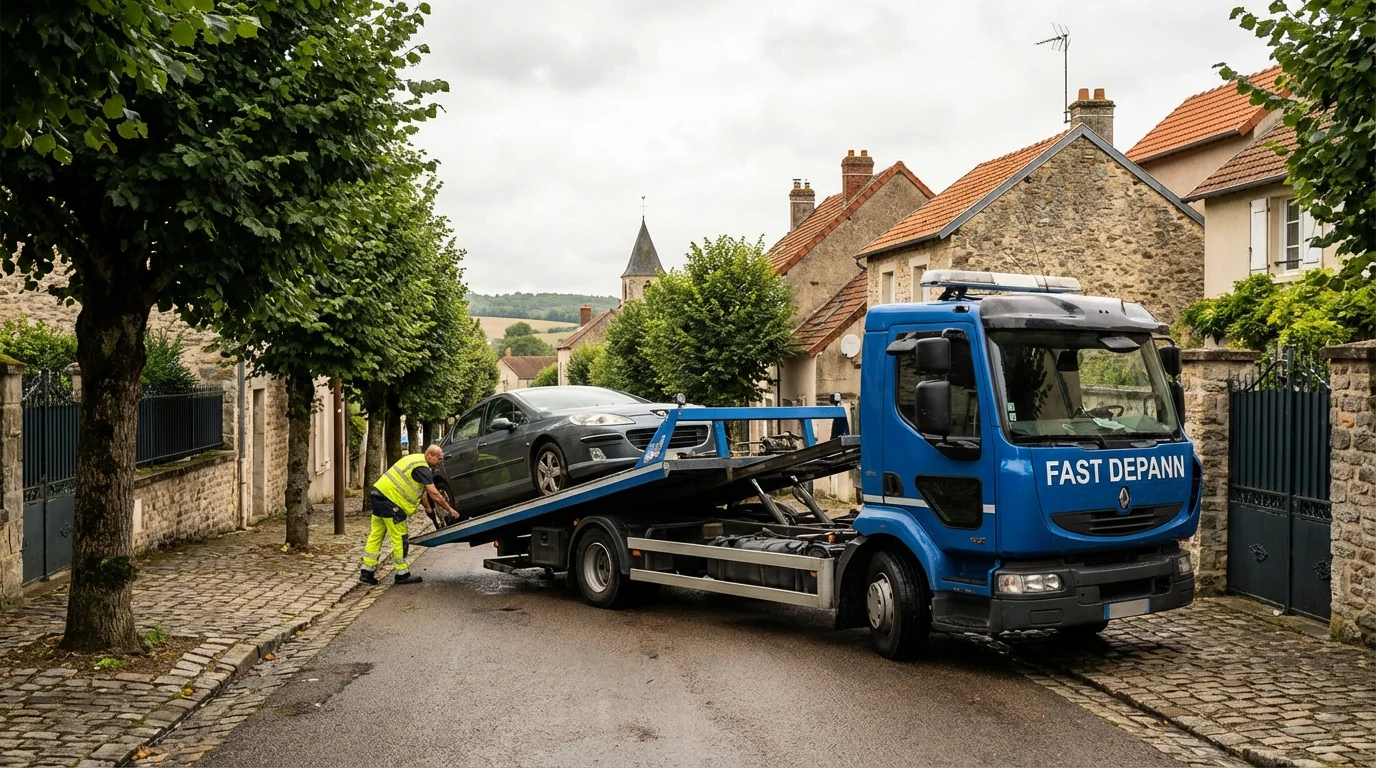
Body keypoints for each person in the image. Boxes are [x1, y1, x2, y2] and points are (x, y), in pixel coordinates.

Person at [360, 445, 460, 585]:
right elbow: (434, 493)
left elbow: (422, 490)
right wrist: (450, 510)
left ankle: (366, 572)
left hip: (378, 496)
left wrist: (427, 508)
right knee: (400, 538)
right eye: (439, 458)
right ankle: (402, 574)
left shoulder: (415, 460)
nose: (440, 461)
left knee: (376, 535)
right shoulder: (423, 469)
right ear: (430, 455)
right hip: (392, 503)